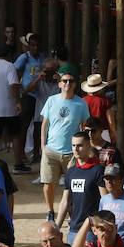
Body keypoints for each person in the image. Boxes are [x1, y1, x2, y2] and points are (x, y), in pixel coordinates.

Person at [37, 69, 88, 220]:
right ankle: (50, 211)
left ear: (75, 85)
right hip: (51, 149)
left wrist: (84, 148)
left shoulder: (81, 103)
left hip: (73, 152)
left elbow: (84, 127)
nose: (67, 83)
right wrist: (42, 145)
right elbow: (44, 124)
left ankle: (73, 211)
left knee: (74, 184)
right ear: (59, 84)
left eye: (70, 81)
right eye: (64, 81)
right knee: (48, 183)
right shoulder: (51, 100)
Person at [54, 129, 102, 246]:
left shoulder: (98, 170)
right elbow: (65, 201)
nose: (75, 149)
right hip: (73, 229)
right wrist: (56, 227)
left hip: (92, 230)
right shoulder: (71, 172)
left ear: (88, 146)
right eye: (73, 145)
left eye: (80, 145)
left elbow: (105, 200)